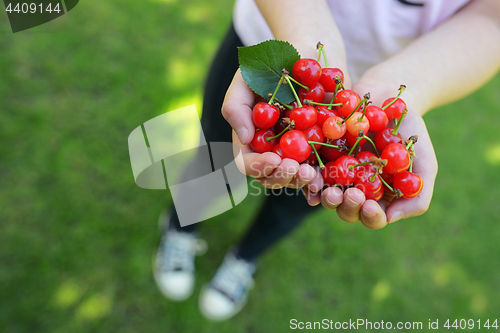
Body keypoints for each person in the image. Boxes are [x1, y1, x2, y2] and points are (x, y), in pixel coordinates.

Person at [154, 0, 500, 321]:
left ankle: (244, 258)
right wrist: (303, 37)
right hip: (276, 52)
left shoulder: (355, 140)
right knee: (215, 158)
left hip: (367, 81)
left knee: (311, 191)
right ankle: (179, 228)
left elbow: (491, 18)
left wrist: (409, 86)